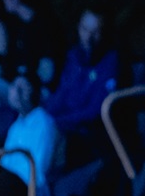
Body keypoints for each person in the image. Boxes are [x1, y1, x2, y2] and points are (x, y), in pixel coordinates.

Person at [43, 9, 120, 166]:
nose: (88, 38)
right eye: (85, 29)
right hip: (65, 126)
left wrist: (57, 122)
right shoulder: (74, 56)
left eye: (96, 32)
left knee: (46, 136)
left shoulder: (111, 62)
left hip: (88, 135)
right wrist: (42, 115)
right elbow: (61, 94)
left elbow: (95, 112)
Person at [0, 72, 59, 196]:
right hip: (10, 187)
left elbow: (38, 171)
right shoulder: (15, 127)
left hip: (29, 193)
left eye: (25, 87)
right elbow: (5, 163)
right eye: (15, 86)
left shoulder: (43, 122)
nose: (18, 92)